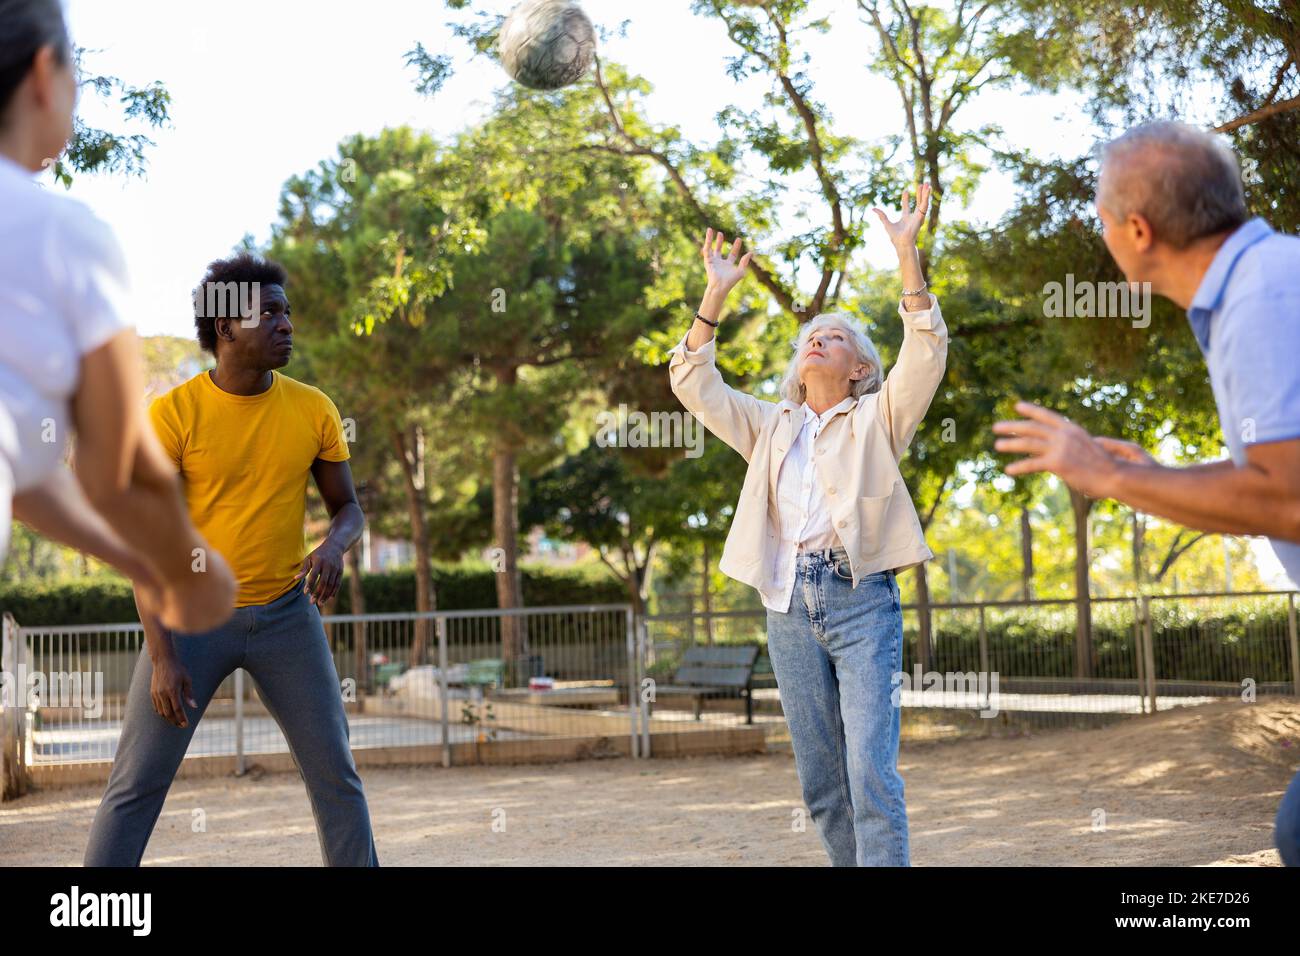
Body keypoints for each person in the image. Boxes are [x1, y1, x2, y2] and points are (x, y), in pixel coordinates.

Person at [992, 120, 1300, 867]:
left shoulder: (1262, 299)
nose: (1101, 236)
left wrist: (1111, 476)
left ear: (1137, 228)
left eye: (1101, 219)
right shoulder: (1258, 284)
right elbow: (1271, 480)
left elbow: (1288, 501)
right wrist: (1154, 473)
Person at [668, 184, 948, 865]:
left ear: (859, 369)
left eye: (836, 338)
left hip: (861, 602)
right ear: (798, 366)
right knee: (822, 784)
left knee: (869, 775)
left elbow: (927, 349)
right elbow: (690, 380)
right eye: (811, 338)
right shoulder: (770, 424)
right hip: (787, 606)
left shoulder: (877, 419)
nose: (818, 341)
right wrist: (715, 297)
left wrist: (906, 254)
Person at [83, 253, 379, 867]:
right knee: (136, 785)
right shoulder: (171, 417)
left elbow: (348, 507)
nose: (286, 324)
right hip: (189, 624)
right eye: (269, 313)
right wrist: (163, 657)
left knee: (336, 776)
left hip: (287, 619)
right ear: (225, 329)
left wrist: (332, 544)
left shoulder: (313, 408)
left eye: (287, 312)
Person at [0, 0, 235, 628]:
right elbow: (119, 473)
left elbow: (23, 481)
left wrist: (140, 565)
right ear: (44, 71)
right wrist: (193, 574)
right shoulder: (62, 235)